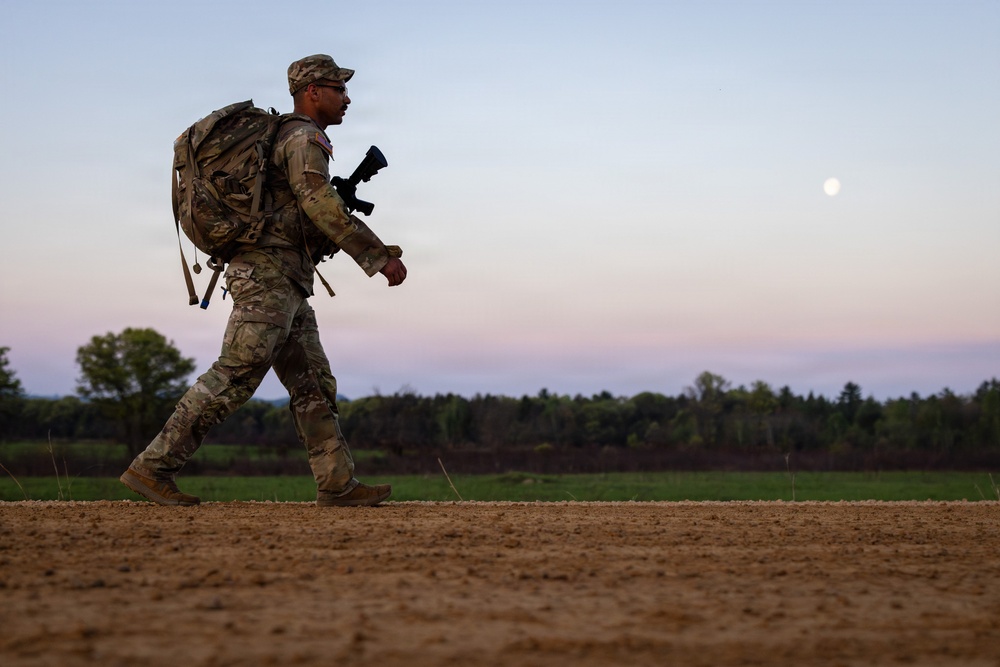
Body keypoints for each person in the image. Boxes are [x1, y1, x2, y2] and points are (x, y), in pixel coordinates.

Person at [120, 54, 407, 507]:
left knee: (313, 382)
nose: (347, 98)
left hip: (286, 277)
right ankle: (153, 468)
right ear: (312, 91)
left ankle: (337, 483)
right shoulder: (303, 136)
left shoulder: (291, 138)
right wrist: (376, 255)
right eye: (339, 89)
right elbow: (317, 201)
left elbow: (298, 212)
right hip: (266, 275)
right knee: (236, 374)